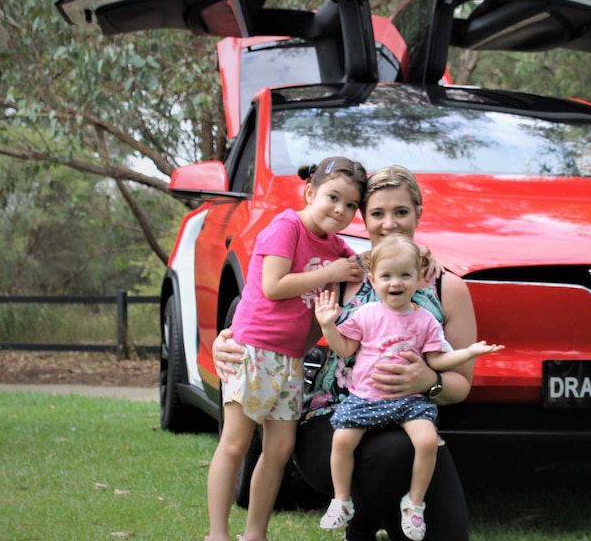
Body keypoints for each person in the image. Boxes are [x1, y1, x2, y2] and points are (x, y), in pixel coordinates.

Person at [212, 164, 477, 541]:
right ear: (362, 218)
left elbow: (461, 384)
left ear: (418, 212)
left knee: (444, 524)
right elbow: (267, 306)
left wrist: (429, 381)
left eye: (401, 212)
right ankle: (363, 522)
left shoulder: (447, 287)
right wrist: (225, 340)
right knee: (392, 452)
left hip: (410, 414)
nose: (389, 224)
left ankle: (380, 518)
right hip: (335, 417)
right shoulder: (343, 272)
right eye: (377, 214)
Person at [205, 156, 367, 541]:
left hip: (291, 361)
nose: (341, 210)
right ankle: (217, 534)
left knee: (280, 450)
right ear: (310, 191)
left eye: (351, 205)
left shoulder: (337, 248)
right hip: (254, 351)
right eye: (333, 197)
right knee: (236, 443)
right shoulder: (286, 226)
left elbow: (363, 266)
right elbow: (274, 286)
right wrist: (332, 272)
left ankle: (255, 533)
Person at [314, 234, 503, 540]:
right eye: (387, 276)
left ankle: (413, 504)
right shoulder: (367, 315)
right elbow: (346, 348)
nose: (396, 283)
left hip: (409, 401)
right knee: (342, 441)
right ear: (373, 280)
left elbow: (437, 359)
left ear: (418, 279)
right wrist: (327, 326)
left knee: (427, 442)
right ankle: (341, 500)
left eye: (404, 275)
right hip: (365, 398)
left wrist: (468, 353)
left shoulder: (424, 320)